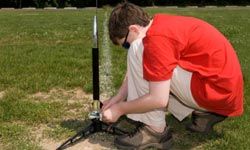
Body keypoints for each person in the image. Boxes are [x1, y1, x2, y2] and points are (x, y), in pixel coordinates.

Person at [101, 2, 244, 150]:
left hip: (216, 91)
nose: (127, 48)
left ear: (134, 29)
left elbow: (158, 99)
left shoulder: (155, 39)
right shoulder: (159, 25)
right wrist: (117, 98)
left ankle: (155, 130)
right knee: (147, 59)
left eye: (126, 44)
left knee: (138, 49)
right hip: (221, 89)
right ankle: (205, 113)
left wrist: (120, 109)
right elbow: (138, 71)